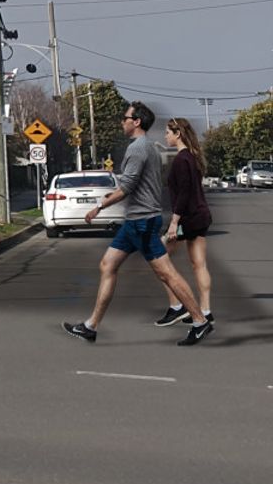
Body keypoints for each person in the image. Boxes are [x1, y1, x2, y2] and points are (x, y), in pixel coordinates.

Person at [63, 102, 212, 345]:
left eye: (125, 118)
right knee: (107, 264)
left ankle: (200, 321)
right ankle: (91, 326)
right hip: (135, 222)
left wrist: (100, 206)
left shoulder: (138, 149)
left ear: (136, 122)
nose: (122, 121)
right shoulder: (149, 147)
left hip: (142, 223)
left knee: (167, 274)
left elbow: (126, 187)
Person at [156, 117, 215, 327]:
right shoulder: (193, 156)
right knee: (199, 264)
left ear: (177, 133)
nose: (165, 136)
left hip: (188, 218)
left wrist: (174, 222)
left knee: (159, 257)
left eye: (167, 132)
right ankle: (205, 311)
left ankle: (177, 306)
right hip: (201, 216)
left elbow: (184, 193)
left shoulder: (182, 159)